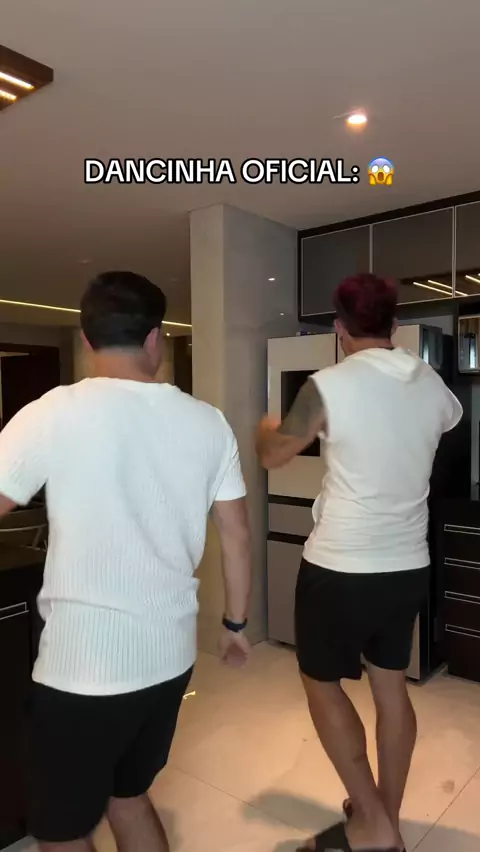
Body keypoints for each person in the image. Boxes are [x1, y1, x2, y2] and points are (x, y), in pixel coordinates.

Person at [0, 271, 251, 852]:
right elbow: (236, 535)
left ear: (87, 339)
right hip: (169, 660)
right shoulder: (208, 422)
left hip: (81, 671)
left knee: (61, 831)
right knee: (129, 794)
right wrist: (234, 625)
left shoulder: (53, 412)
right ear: (156, 337)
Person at [256, 274, 463, 852]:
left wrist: (266, 428)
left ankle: (372, 823)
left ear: (339, 329)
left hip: (340, 566)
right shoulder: (430, 382)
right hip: (407, 564)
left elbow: (275, 455)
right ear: (394, 325)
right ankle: (383, 819)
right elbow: (446, 422)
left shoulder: (326, 386)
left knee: (321, 684)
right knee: (391, 687)